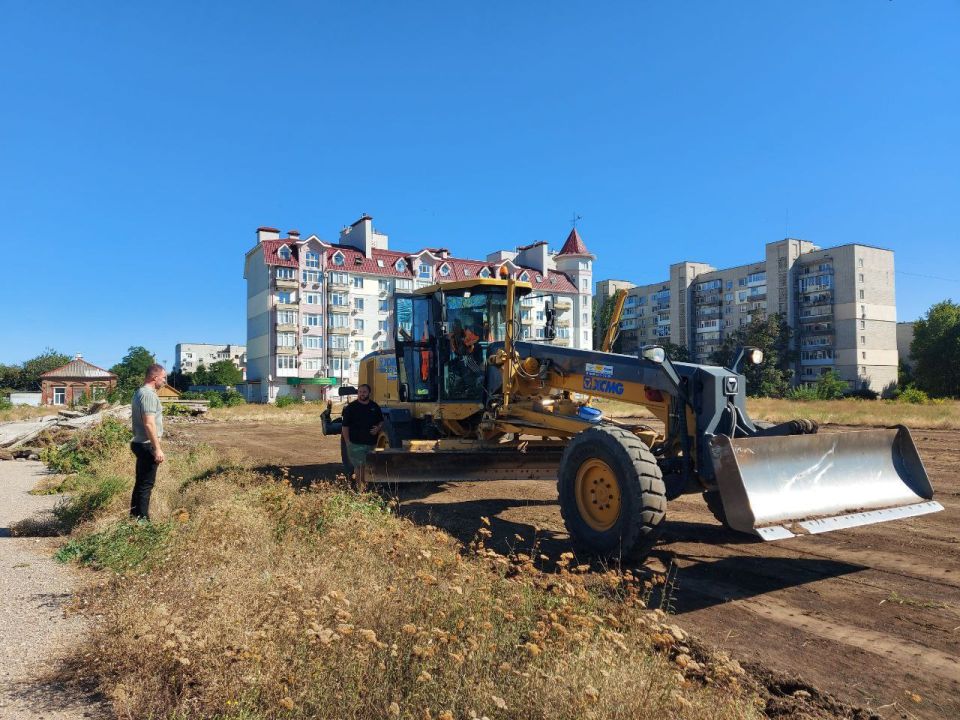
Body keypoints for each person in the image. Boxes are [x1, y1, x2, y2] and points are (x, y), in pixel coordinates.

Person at [130, 363, 166, 520]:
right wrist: (157, 448)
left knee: (140, 483)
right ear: (154, 377)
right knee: (146, 485)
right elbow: (149, 423)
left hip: (139, 442)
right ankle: (143, 520)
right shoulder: (149, 395)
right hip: (146, 444)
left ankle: (134, 517)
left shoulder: (139, 392)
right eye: (163, 378)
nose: (164, 382)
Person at [340, 383, 384, 481]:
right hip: (356, 443)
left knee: (367, 467)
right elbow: (345, 426)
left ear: (369, 393)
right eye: (360, 392)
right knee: (359, 466)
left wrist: (378, 428)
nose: (361, 394)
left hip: (371, 443)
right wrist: (347, 442)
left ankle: (364, 488)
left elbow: (381, 421)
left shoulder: (374, 406)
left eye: (364, 392)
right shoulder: (351, 408)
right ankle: (360, 488)